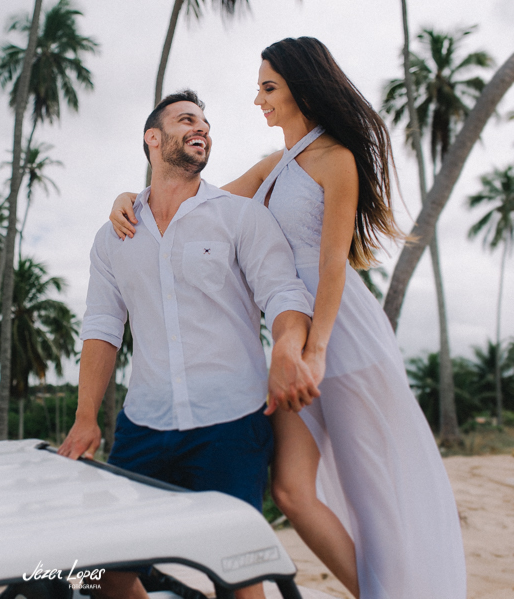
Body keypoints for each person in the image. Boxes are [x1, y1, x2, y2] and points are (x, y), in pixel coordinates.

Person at [109, 38, 467, 599]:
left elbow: (332, 266)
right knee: (293, 491)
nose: (258, 100)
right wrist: (130, 196)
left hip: (342, 338)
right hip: (289, 338)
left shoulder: (336, 158)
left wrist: (315, 350)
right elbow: (195, 207)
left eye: (268, 87)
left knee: (378, 485)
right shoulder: (273, 167)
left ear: (301, 86)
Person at [58, 89, 320, 599]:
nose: (201, 128)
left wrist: (287, 346)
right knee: (108, 573)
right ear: (152, 139)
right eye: (186, 120)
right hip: (144, 425)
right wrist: (86, 416)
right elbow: (102, 327)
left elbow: (284, 293)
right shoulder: (113, 236)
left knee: (237, 575)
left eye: (205, 122)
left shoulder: (240, 217)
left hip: (232, 423)